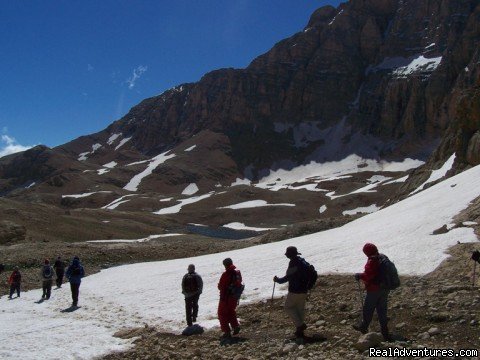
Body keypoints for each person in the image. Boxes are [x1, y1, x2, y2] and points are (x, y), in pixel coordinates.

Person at [353, 243, 391, 341]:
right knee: (382, 310)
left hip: (374, 289)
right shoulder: (382, 257)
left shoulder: (372, 260)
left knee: (368, 308)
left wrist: (360, 276)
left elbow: (369, 275)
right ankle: (385, 332)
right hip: (385, 288)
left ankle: (364, 327)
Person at [273, 246, 310, 339]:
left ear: (290, 255)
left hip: (295, 290)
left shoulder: (293, 263)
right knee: (299, 309)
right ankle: (300, 331)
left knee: (288, 307)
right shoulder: (302, 261)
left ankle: (300, 325)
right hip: (304, 289)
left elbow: (287, 277)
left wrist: (278, 280)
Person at [217, 258, 241, 339]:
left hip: (226, 298)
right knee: (231, 311)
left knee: (222, 314)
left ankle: (226, 332)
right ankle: (235, 326)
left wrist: (219, 286)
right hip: (234, 297)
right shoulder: (237, 273)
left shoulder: (226, 274)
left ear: (225, 265)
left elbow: (221, 286)